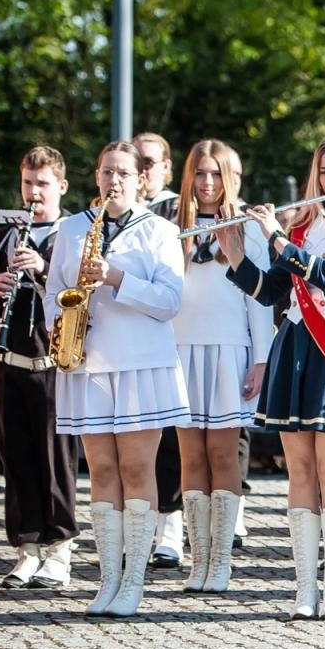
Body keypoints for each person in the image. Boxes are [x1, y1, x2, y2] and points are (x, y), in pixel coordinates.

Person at [220, 133, 325, 619]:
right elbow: (273, 291)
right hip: (295, 348)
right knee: (301, 471)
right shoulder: (300, 228)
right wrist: (236, 253)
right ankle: (305, 587)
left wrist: (273, 234)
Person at [46, 141, 189, 618]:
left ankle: (133, 581)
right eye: (107, 172)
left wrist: (114, 279)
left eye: (124, 173)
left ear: (141, 179)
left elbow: (171, 301)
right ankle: (106, 580)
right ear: (97, 175)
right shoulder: (71, 228)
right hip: (87, 363)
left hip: (140, 365)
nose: (115, 181)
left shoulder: (160, 231)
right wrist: (59, 325)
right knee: (101, 471)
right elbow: (52, 290)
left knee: (135, 470)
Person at [173, 140, 273, 594]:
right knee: (190, 456)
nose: (207, 183)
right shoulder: (172, 226)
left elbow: (260, 301)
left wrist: (260, 359)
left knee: (222, 453)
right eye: (199, 173)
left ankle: (222, 562)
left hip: (230, 349)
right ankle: (199, 559)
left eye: (215, 174)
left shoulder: (247, 225)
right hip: (181, 350)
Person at [0, 146, 75, 590]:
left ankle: (59, 552)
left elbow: (81, 291)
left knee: (55, 460)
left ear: (61, 187)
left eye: (42, 184)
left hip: (52, 361)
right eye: (28, 184)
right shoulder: (5, 234)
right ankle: (26, 549)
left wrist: (45, 269)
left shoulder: (73, 232)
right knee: (15, 459)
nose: (34, 193)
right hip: (7, 359)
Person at [133, 131, 188, 570]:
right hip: (132, 336)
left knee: (171, 437)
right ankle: (135, 526)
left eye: (149, 162)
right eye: (136, 161)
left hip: (180, 332)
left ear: (167, 167)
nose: (143, 169)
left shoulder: (174, 208)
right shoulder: (113, 213)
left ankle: (170, 528)